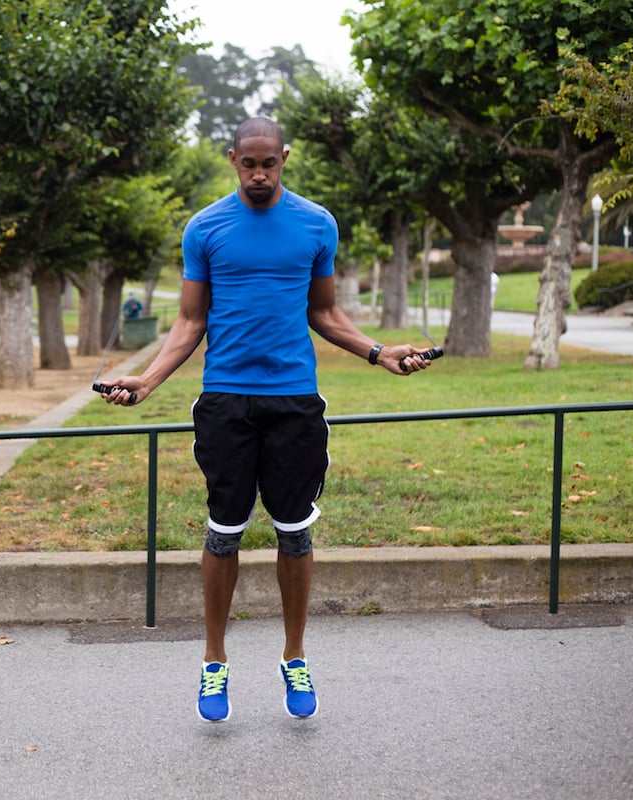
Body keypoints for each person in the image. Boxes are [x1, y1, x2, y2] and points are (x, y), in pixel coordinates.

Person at [100, 116, 435, 723]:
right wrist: (147, 380)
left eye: (269, 164)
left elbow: (324, 312)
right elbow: (190, 320)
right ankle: (214, 662)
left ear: (284, 158)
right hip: (226, 402)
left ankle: (295, 656)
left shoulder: (316, 224)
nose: (259, 174)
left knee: (294, 532)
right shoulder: (205, 228)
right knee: (223, 533)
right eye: (249, 164)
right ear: (233, 159)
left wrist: (377, 352)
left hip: (294, 402)